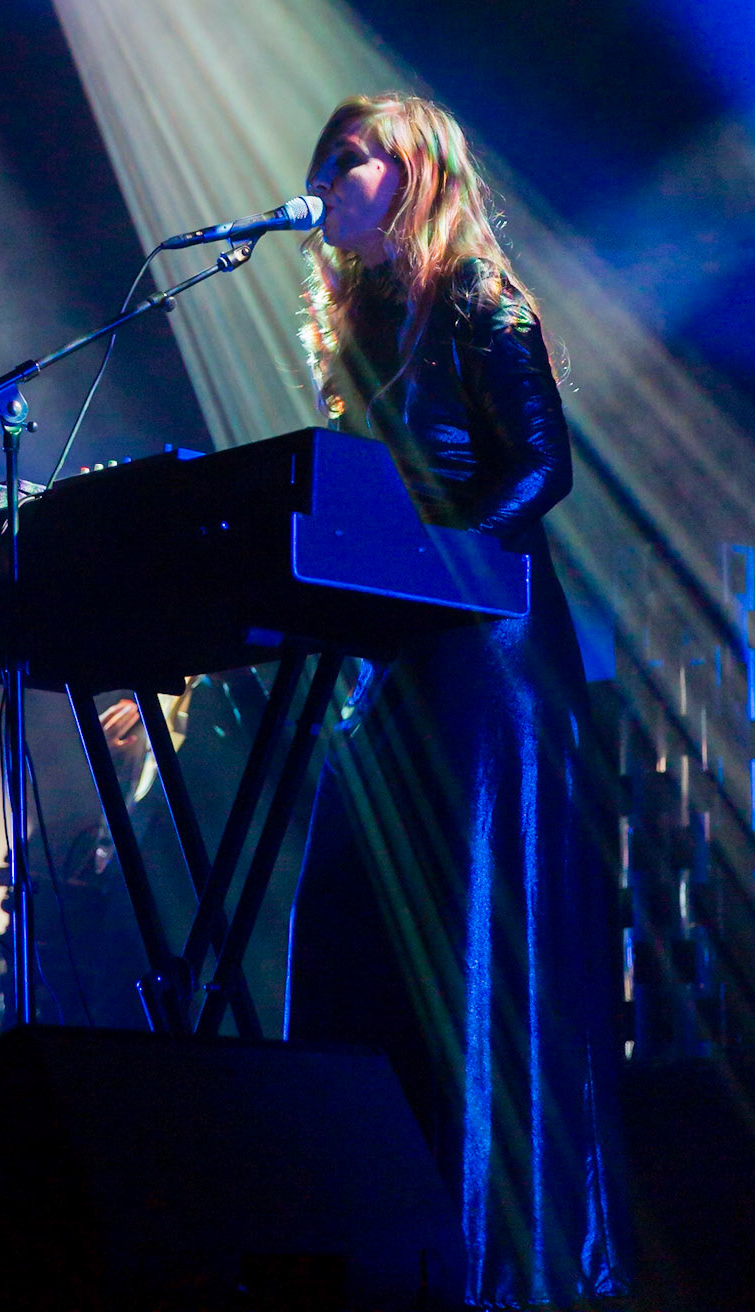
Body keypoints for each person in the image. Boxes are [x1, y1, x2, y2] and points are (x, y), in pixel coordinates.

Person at [285, 93, 629, 1310]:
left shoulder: (480, 301)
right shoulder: (363, 321)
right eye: (320, 160)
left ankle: (489, 1246)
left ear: (415, 172)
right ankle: (366, 1217)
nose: (321, 178)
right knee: (347, 906)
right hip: (400, 644)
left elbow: (543, 464)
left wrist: (431, 562)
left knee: (473, 919)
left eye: (347, 158)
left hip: (482, 650)